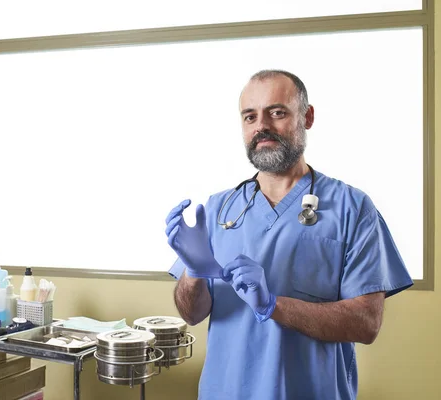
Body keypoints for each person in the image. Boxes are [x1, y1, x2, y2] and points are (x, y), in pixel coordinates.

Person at [164, 70, 413, 400]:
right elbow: (191, 314)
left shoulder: (352, 208)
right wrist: (193, 273)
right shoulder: (217, 209)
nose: (261, 126)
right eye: (250, 116)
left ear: (307, 117)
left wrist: (272, 304)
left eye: (276, 112)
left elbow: (366, 323)